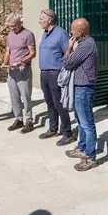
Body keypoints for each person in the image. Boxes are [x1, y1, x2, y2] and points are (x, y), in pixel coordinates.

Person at [62, 18, 99, 171]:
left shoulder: (86, 45)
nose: (71, 33)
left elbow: (67, 62)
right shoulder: (83, 44)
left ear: (80, 31)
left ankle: (90, 156)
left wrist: (69, 48)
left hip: (84, 88)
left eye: (72, 30)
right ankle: (82, 147)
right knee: (80, 120)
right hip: (80, 88)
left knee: (87, 124)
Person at [37, 9, 75, 146]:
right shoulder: (45, 34)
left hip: (55, 73)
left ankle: (67, 133)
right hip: (44, 73)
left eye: (41, 18)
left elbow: (69, 53)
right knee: (49, 102)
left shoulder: (61, 34)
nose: (39, 21)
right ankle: (53, 129)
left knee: (59, 104)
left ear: (50, 20)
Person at [2, 12, 36, 134]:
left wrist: (21, 62)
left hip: (23, 70)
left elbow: (32, 53)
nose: (12, 28)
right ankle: (19, 119)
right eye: (10, 26)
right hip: (11, 70)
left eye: (14, 26)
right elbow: (8, 52)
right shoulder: (10, 35)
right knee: (14, 96)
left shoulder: (28, 34)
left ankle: (29, 121)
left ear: (20, 23)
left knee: (25, 96)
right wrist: (4, 63)